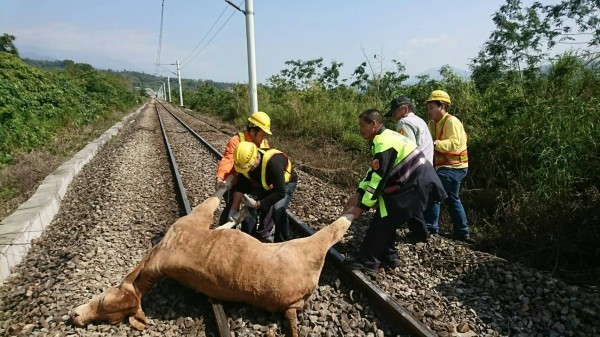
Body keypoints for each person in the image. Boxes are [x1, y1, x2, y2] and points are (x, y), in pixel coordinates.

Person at [345, 109, 447, 274]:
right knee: (386, 214)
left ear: (374, 124)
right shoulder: (386, 137)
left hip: (416, 183)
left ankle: (369, 262)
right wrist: (359, 192)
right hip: (416, 181)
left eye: (362, 125)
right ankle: (389, 256)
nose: (360, 129)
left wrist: (362, 206)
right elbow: (374, 172)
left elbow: (378, 180)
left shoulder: (383, 143)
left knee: (382, 220)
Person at [422, 90, 472, 243]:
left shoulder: (452, 122)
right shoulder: (435, 124)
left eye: (432, 107)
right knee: (452, 199)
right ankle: (462, 232)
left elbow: (454, 143)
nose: (429, 111)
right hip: (447, 166)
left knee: (433, 194)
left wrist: (435, 144)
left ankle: (431, 229)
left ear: (442, 106)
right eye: (429, 108)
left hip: (454, 167)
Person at [229, 141, 298, 243]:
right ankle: (248, 241)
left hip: (284, 184)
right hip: (265, 182)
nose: (249, 170)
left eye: (250, 167)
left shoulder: (273, 164)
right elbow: (241, 187)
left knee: (277, 209)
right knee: (248, 209)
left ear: (257, 157)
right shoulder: (245, 163)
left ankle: (281, 242)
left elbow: (280, 192)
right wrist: (233, 211)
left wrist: (259, 203)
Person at [215, 111, 271, 226]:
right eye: (262, 134)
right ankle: (224, 233)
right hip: (235, 181)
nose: (263, 137)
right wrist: (221, 179)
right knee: (230, 207)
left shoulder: (264, 143)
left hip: (253, 183)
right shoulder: (237, 140)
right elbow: (228, 160)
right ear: (252, 131)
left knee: (250, 212)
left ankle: (248, 235)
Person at [385, 96, 434, 164]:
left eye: (394, 114)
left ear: (405, 109)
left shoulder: (404, 122)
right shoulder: (420, 120)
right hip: (427, 167)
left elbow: (408, 151)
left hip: (416, 169)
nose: (394, 118)